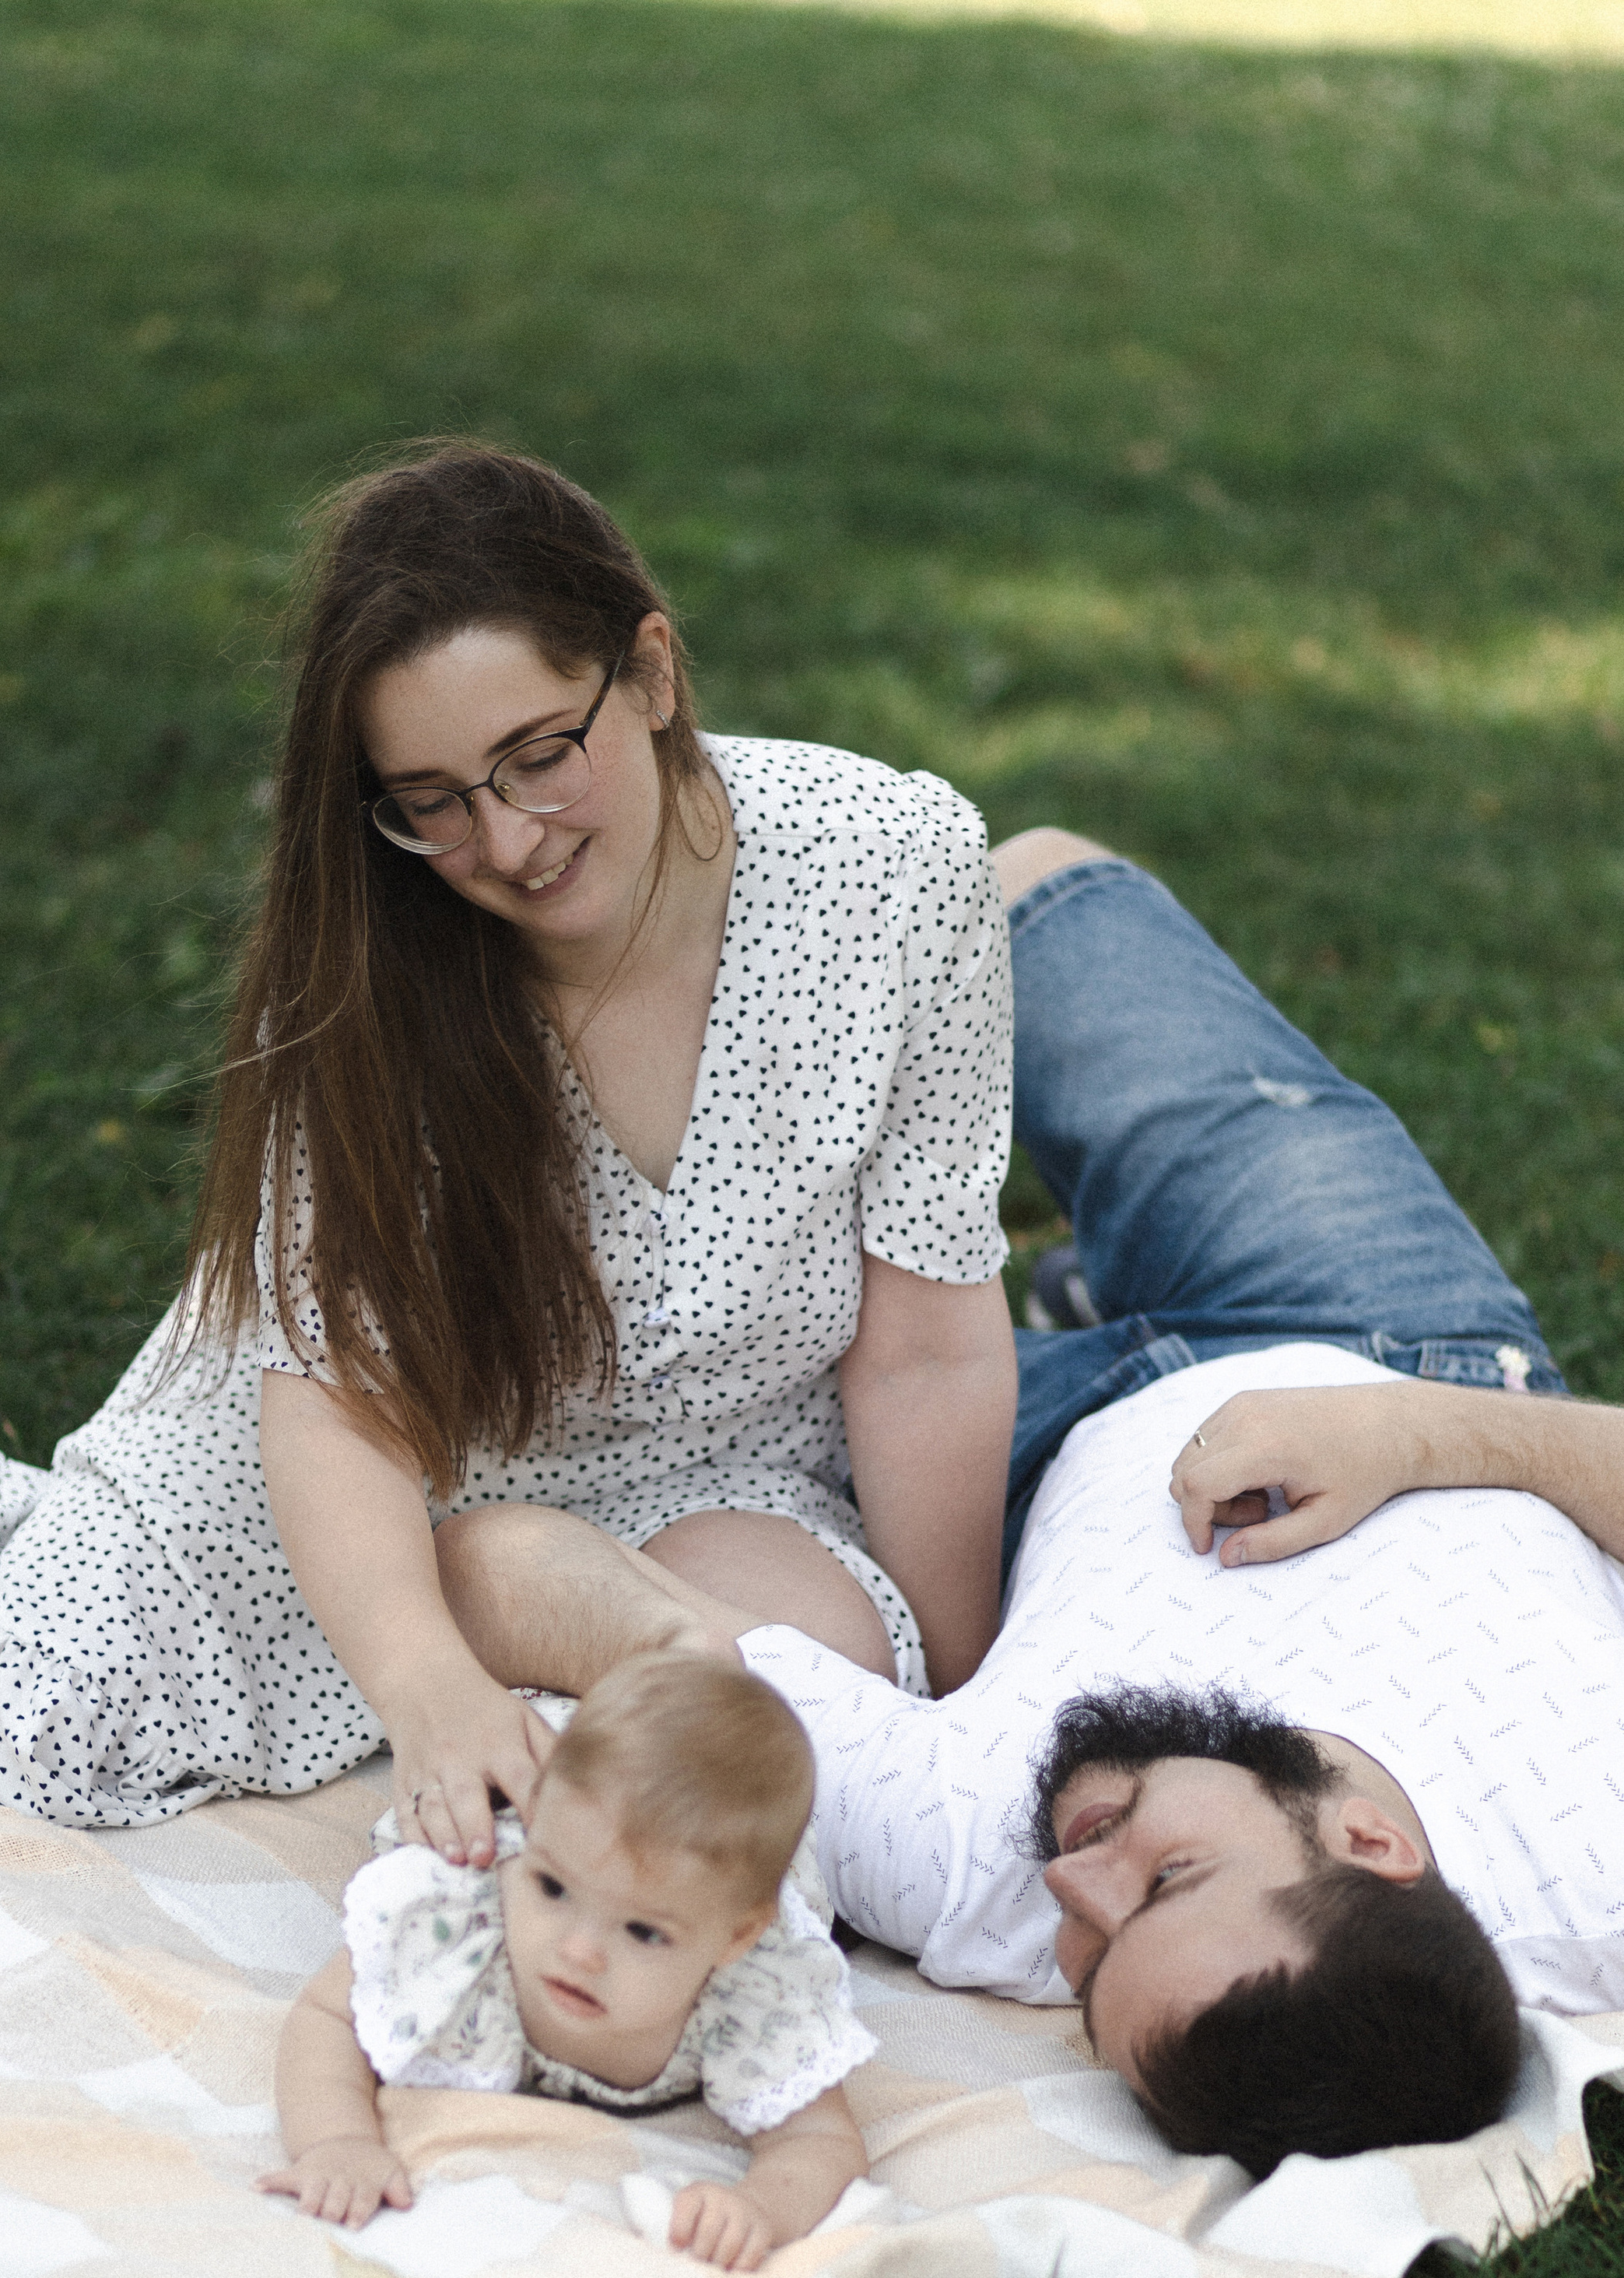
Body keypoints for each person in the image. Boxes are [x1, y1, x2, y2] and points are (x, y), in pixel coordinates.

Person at [0, 443, 1016, 1844]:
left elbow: (926, 1346)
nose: (509, 840)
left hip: (718, 1464)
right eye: (432, 797)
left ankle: (507, 1609)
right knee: (47, 1709)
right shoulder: (370, 961)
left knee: (787, 1724)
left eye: (539, 757)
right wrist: (423, 1684)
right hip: (377, 1441)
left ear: (651, 674)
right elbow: (337, 1395)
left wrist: (966, 1715)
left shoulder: (899, 875)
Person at [430, 835, 1620, 2181]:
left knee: (615, 1372)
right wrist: (1417, 1432)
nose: (1075, 1885)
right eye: (1165, 1882)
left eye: (1092, 1963)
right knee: (1030, 892)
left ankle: (1063, 1304)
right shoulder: (1599, 1870)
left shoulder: (975, 1870)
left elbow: (504, 1564)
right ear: (1371, 1844)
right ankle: (1093, 1273)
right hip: (1392, 1345)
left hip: (1026, 1434)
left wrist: (683, 1655)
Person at [259, 1651, 874, 2272]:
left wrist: (762, 2208)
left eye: (642, 1931)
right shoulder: (463, 1913)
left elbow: (819, 2141)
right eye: (553, 1890)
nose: (579, 1951)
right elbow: (330, 2016)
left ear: (733, 1941)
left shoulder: (757, 1989)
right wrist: (337, 2141)